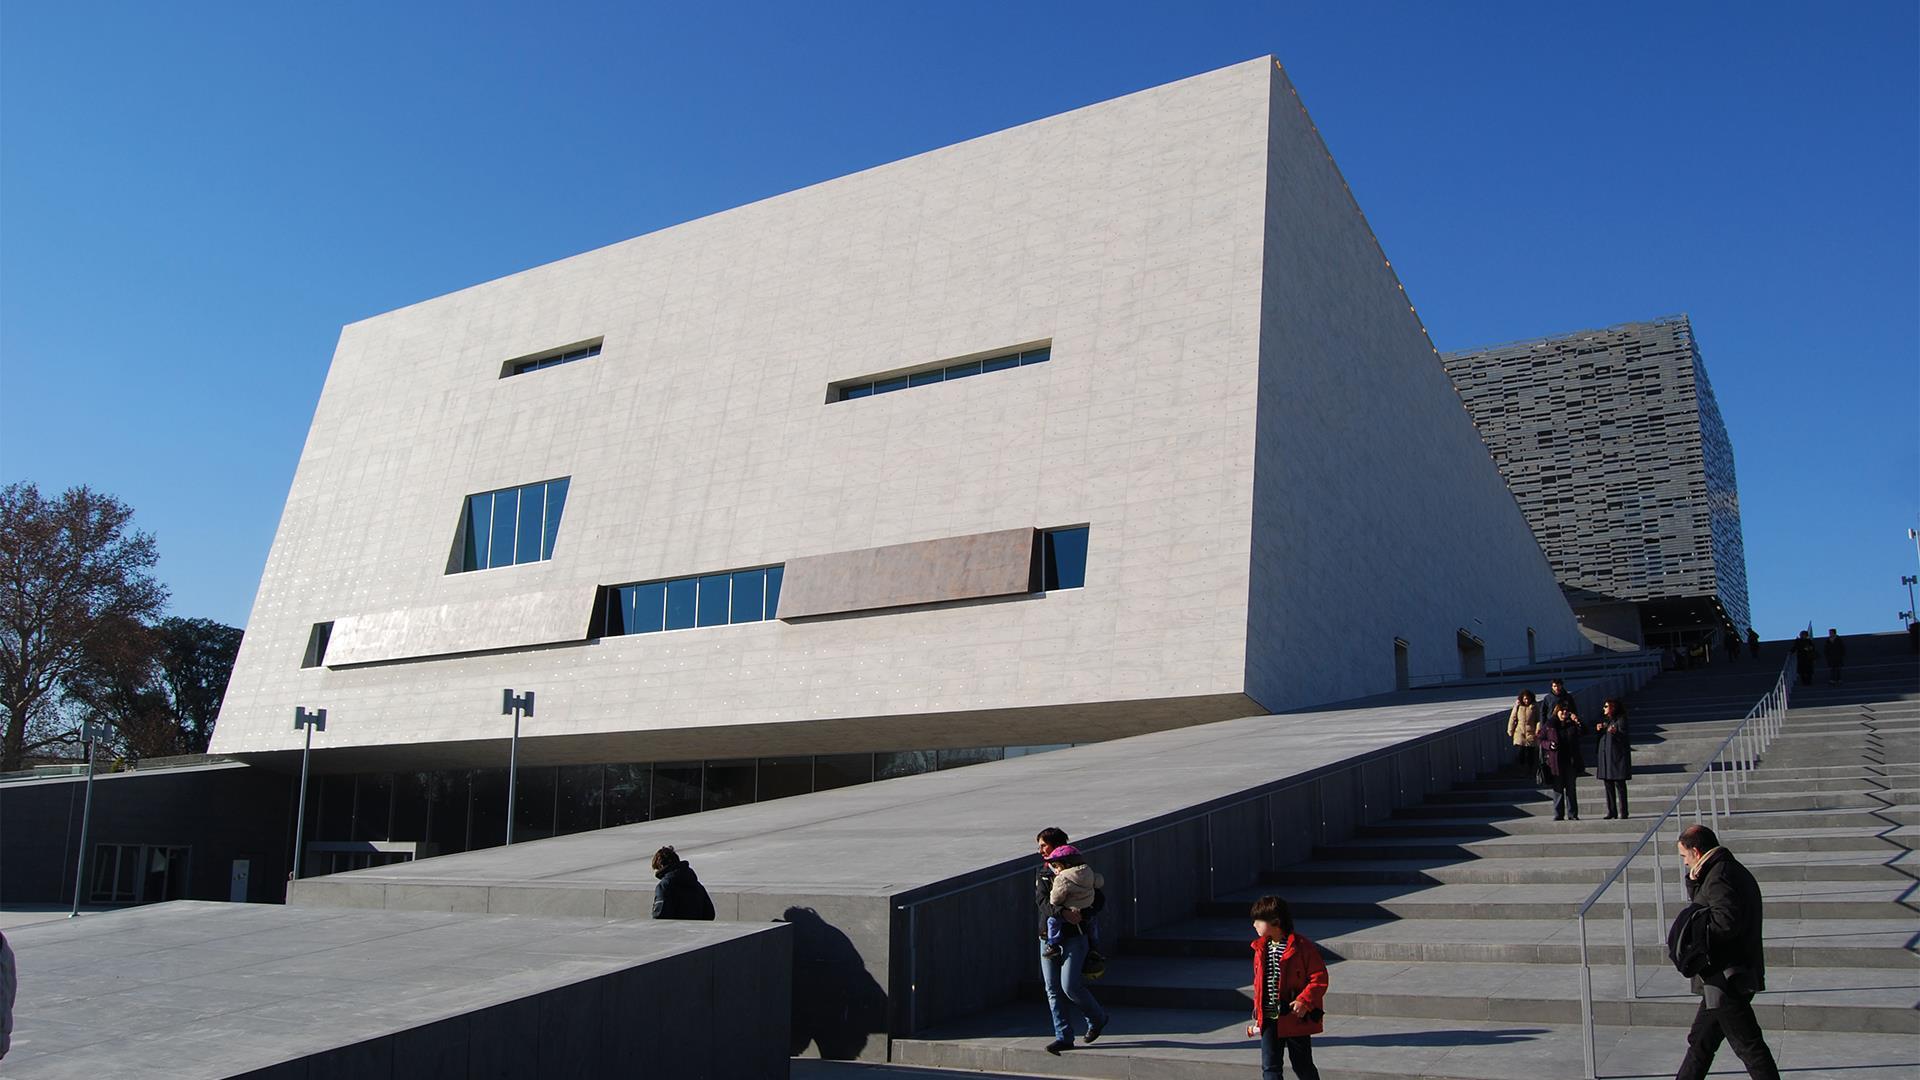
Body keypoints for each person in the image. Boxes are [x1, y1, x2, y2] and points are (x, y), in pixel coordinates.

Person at [1674, 825, 1780, 1080]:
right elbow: (1704, 907)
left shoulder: (1721, 874)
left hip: (1727, 977)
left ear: (1696, 851)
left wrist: (1697, 947)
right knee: (1701, 1042)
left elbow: (1725, 922)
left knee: (1749, 1046)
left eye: (1684, 856)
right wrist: (1693, 881)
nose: (1685, 862)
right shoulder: (1719, 870)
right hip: (1723, 977)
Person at [1034, 828, 1109, 1055]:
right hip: (1048, 938)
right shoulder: (1043, 874)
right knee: (1052, 989)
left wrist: (1082, 915)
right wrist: (1063, 913)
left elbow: (1099, 900)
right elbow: (1043, 903)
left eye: (1043, 846)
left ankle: (1097, 1018)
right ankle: (1063, 1036)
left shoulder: (1081, 871)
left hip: (1075, 936)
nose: (1040, 851)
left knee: (1070, 986)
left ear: (1056, 847)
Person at [1244, 894, 1327, 1080]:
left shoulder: (1302, 947)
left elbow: (1319, 977)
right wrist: (1258, 1013)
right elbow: (1259, 984)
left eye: (1258, 920)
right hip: (1268, 1017)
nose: (1254, 925)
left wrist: (1304, 1000)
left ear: (1275, 921)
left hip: (1294, 1017)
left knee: (1303, 1065)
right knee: (1270, 1067)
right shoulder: (1260, 948)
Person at [1040, 845, 1102, 958]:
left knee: (1052, 922)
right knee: (1092, 922)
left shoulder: (1062, 878)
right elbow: (1099, 882)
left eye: (1056, 866)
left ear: (1065, 864)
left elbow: (1055, 899)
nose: (1056, 869)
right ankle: (1094, 944)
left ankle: (1053, 945)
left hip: (1071, 909)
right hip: (1086, 906)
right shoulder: (1088, 871)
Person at [1537, 701, 1580, 821]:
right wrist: (1549, 745)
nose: (1564, 713)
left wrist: (1577, 721)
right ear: (1557, 711)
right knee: (1558, 789)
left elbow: (1584, 732)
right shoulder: (1550, 724)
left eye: (1567, 711)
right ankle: (1558, 814)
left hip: (1570, 761)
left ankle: (1573, 814)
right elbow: (1540, 738)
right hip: (1555, 762)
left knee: (1571, 789)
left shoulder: (1571, 724)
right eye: (1562, 711)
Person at [650, 845, 715, 920]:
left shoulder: (664, 886)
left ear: (661, 866)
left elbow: (660, 914)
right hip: (695, 930)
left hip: (674, 930)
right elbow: (710, 913)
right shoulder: (697, 885)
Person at [1594, 698, 1632, 819]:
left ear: (1613, 708)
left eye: (1606, 706)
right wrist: (1600, 729)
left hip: (1616, 758)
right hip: (1605, 758)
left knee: (1619, 785)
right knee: (1608, 784)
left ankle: (1623, 811)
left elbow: (1624, 737)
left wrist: (1616, 732)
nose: (1604, 709)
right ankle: (1612, 811)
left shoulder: (1620, 720)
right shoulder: (1606, 720)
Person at [1506, 690, 1541, 781]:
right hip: (1520, 733)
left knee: (1530, 753)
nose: (1526, 700)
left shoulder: (1535, 707)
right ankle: (1521, 770)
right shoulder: (1518, 707)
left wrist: (1538, 729)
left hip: (1531, 733)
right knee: (1520, 753)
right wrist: (1510, 730)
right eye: (1525, 699)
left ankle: (1530, 770)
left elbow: (1538, 719)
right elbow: (1513, 718)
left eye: (1528, 698)